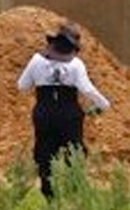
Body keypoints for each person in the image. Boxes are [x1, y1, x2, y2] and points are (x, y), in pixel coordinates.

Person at [18, 23, 110, 200]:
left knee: (45, 154)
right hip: (69, 113)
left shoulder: (36, 60)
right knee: (74, 153)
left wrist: (42, 79)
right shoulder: (76, 64)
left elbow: (22, 86)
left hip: (44, 111)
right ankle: (73, 194)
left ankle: (49, 198)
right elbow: (87, 89)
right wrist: (104, 104)